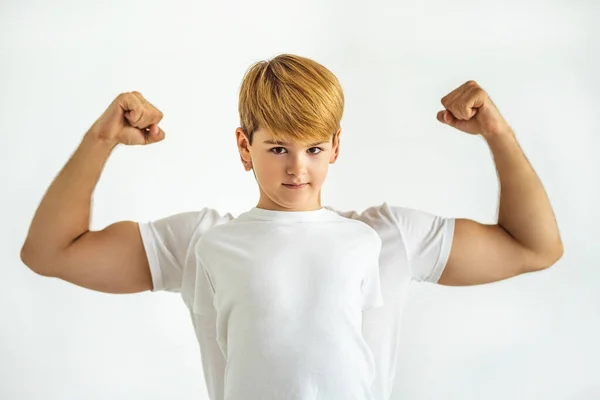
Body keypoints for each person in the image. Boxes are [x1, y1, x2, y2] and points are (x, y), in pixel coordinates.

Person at [20, 54, 563, 400]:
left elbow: (534, 248)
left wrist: (497, 131)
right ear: (244, 147)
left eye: (313, 148)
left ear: (336, 148)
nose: (297, 167)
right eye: (277, 147)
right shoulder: (201, 242)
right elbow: (51, 253)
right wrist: (101, 139)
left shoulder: (391, 238)